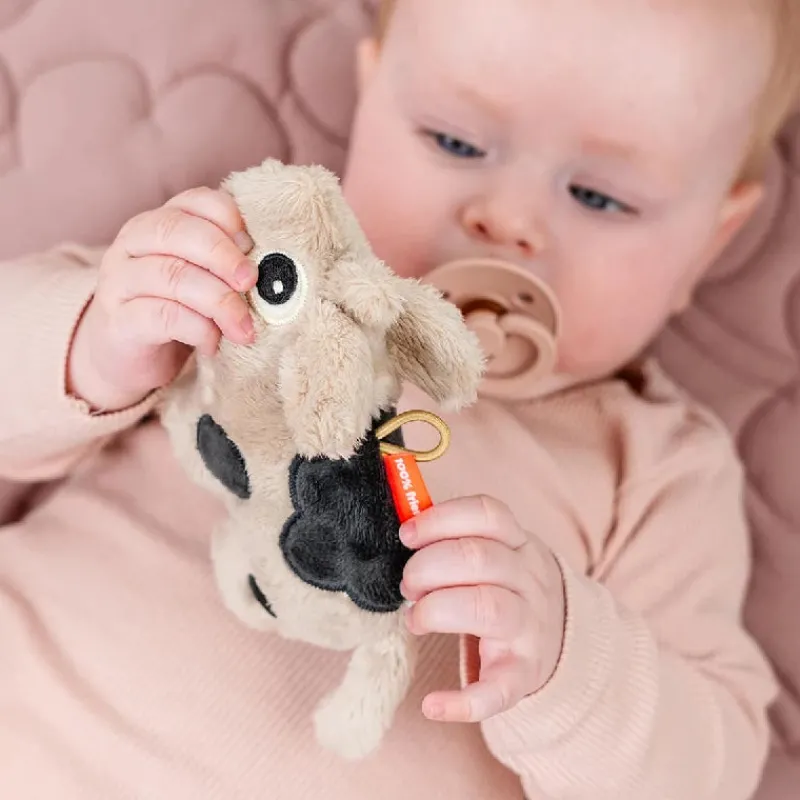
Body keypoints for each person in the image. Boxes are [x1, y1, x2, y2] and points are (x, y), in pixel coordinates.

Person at [1, 0, 798, 797]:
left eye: (599, 196)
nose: (507, 220)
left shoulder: (655, 468)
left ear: (710, 241)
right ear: (369, 101)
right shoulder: (253, 277)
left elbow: (706, 771)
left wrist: (570, 661)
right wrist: (97, 345)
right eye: (455, 142)